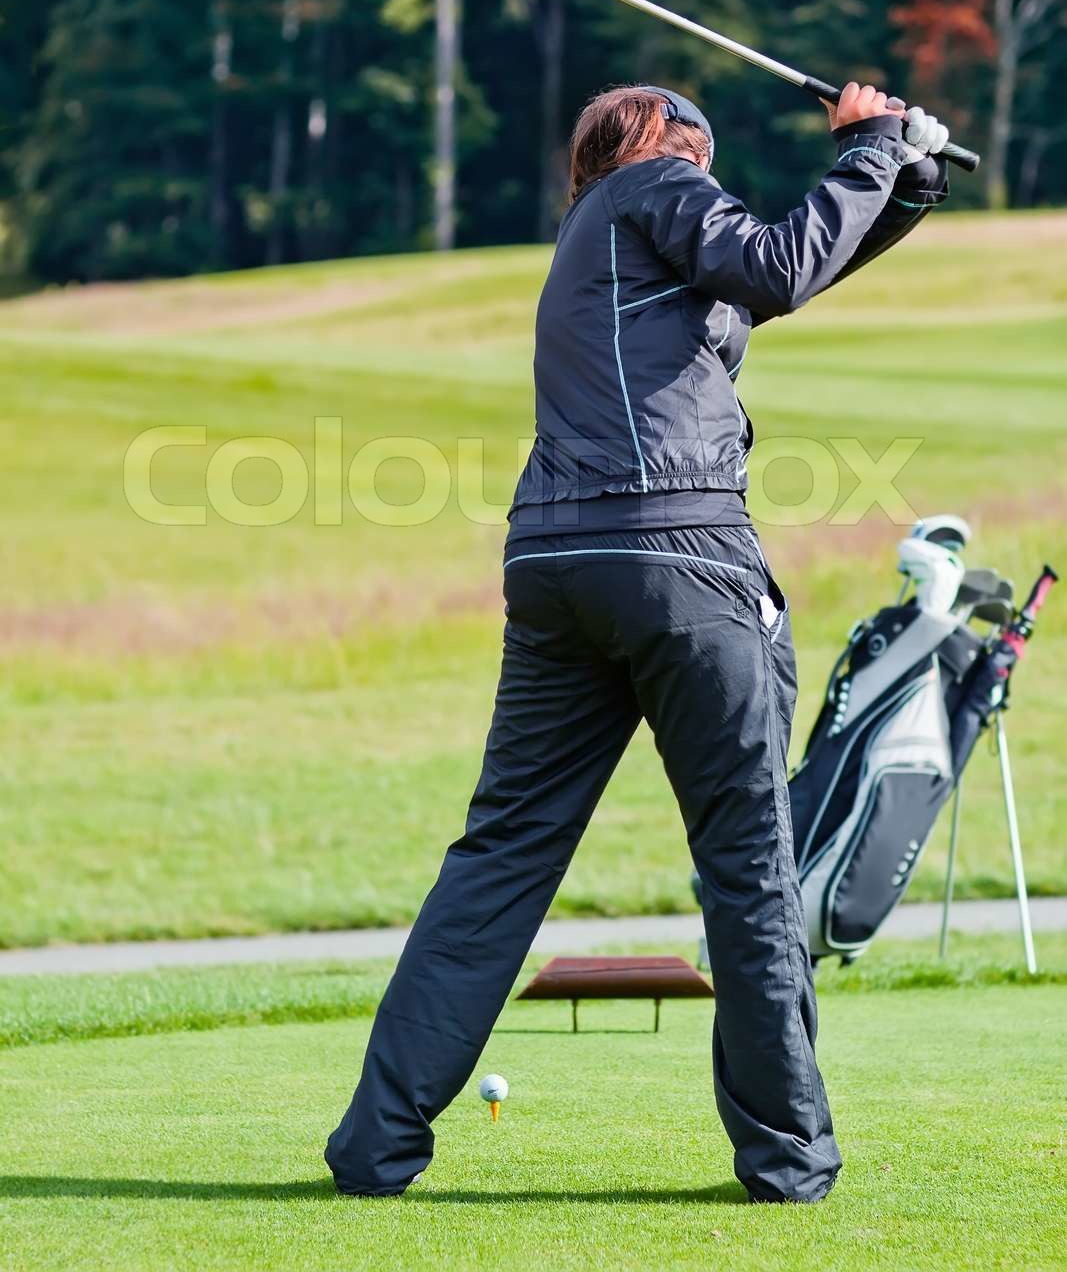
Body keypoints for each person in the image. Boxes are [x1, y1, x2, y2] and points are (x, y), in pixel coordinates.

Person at [325, 80, 950, 1204]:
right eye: (697, 148)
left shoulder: (605, 241)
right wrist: (861, 143)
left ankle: (374, 1147)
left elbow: (781, 275)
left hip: (557, 569)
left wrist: (901, 178)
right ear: (661, 143)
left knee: (501, 853)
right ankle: (787, 1157)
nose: (708, 167)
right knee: (746, 863)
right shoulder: (658, 187)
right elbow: (773, 261)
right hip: (679, 564)